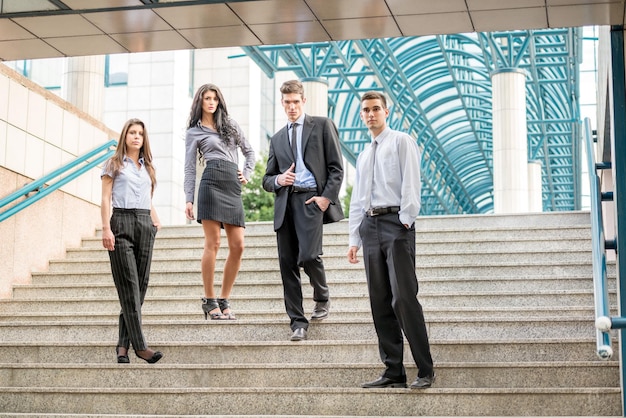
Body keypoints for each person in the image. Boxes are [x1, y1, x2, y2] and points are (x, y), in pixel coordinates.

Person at [347, 91, 435, 389]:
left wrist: (406, 220)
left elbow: (412, 182)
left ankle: (425, 369)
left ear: (386, 111)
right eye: (366, 110)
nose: (370, 114)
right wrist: (354, 238)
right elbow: (358, 199)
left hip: (396, 225)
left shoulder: (401, 141)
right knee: (380, 301)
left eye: (375, 109)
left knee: (403, 298)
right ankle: (393, 372)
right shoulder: (362, 154)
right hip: (370, 227)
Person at [263, 79, 344, 341]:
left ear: (303, 101)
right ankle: (298, 322)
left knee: (309, 256)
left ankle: (322, 295)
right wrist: (278, 180)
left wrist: (325, 199)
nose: (291, 107)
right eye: (287, 103)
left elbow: (336, 167)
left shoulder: (321, 125)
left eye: (296, 102)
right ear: (282, 103)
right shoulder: (276, 138)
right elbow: (267, 178)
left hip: (311, 200)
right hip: (285, 203)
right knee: (287, 264)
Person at [184, 83, 255, 321]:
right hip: (211, 184)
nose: (211, 102)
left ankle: (225, 298)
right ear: (200, 102)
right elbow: (190, 168)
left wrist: (246, 173)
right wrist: (188, 199)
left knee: (238, 245)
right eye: (207, 98)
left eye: (214, 98)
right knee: (212, 243)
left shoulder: (230, 125)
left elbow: (250, 152)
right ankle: (209, 299)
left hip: (232, 185)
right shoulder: (194, 131)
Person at [101, 118, 163, 364]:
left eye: (140, 133)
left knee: (140, 287)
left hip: (145, 223)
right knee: (129, 286)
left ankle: (122, 346)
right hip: (121, 222)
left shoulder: (148, 167)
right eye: (132, 132)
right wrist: (106, 228)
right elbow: (106, 199)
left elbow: (148, 198)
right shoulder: (114, 164)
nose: (136, 136)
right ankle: (141, 347)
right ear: (125, 136)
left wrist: (155, 221)